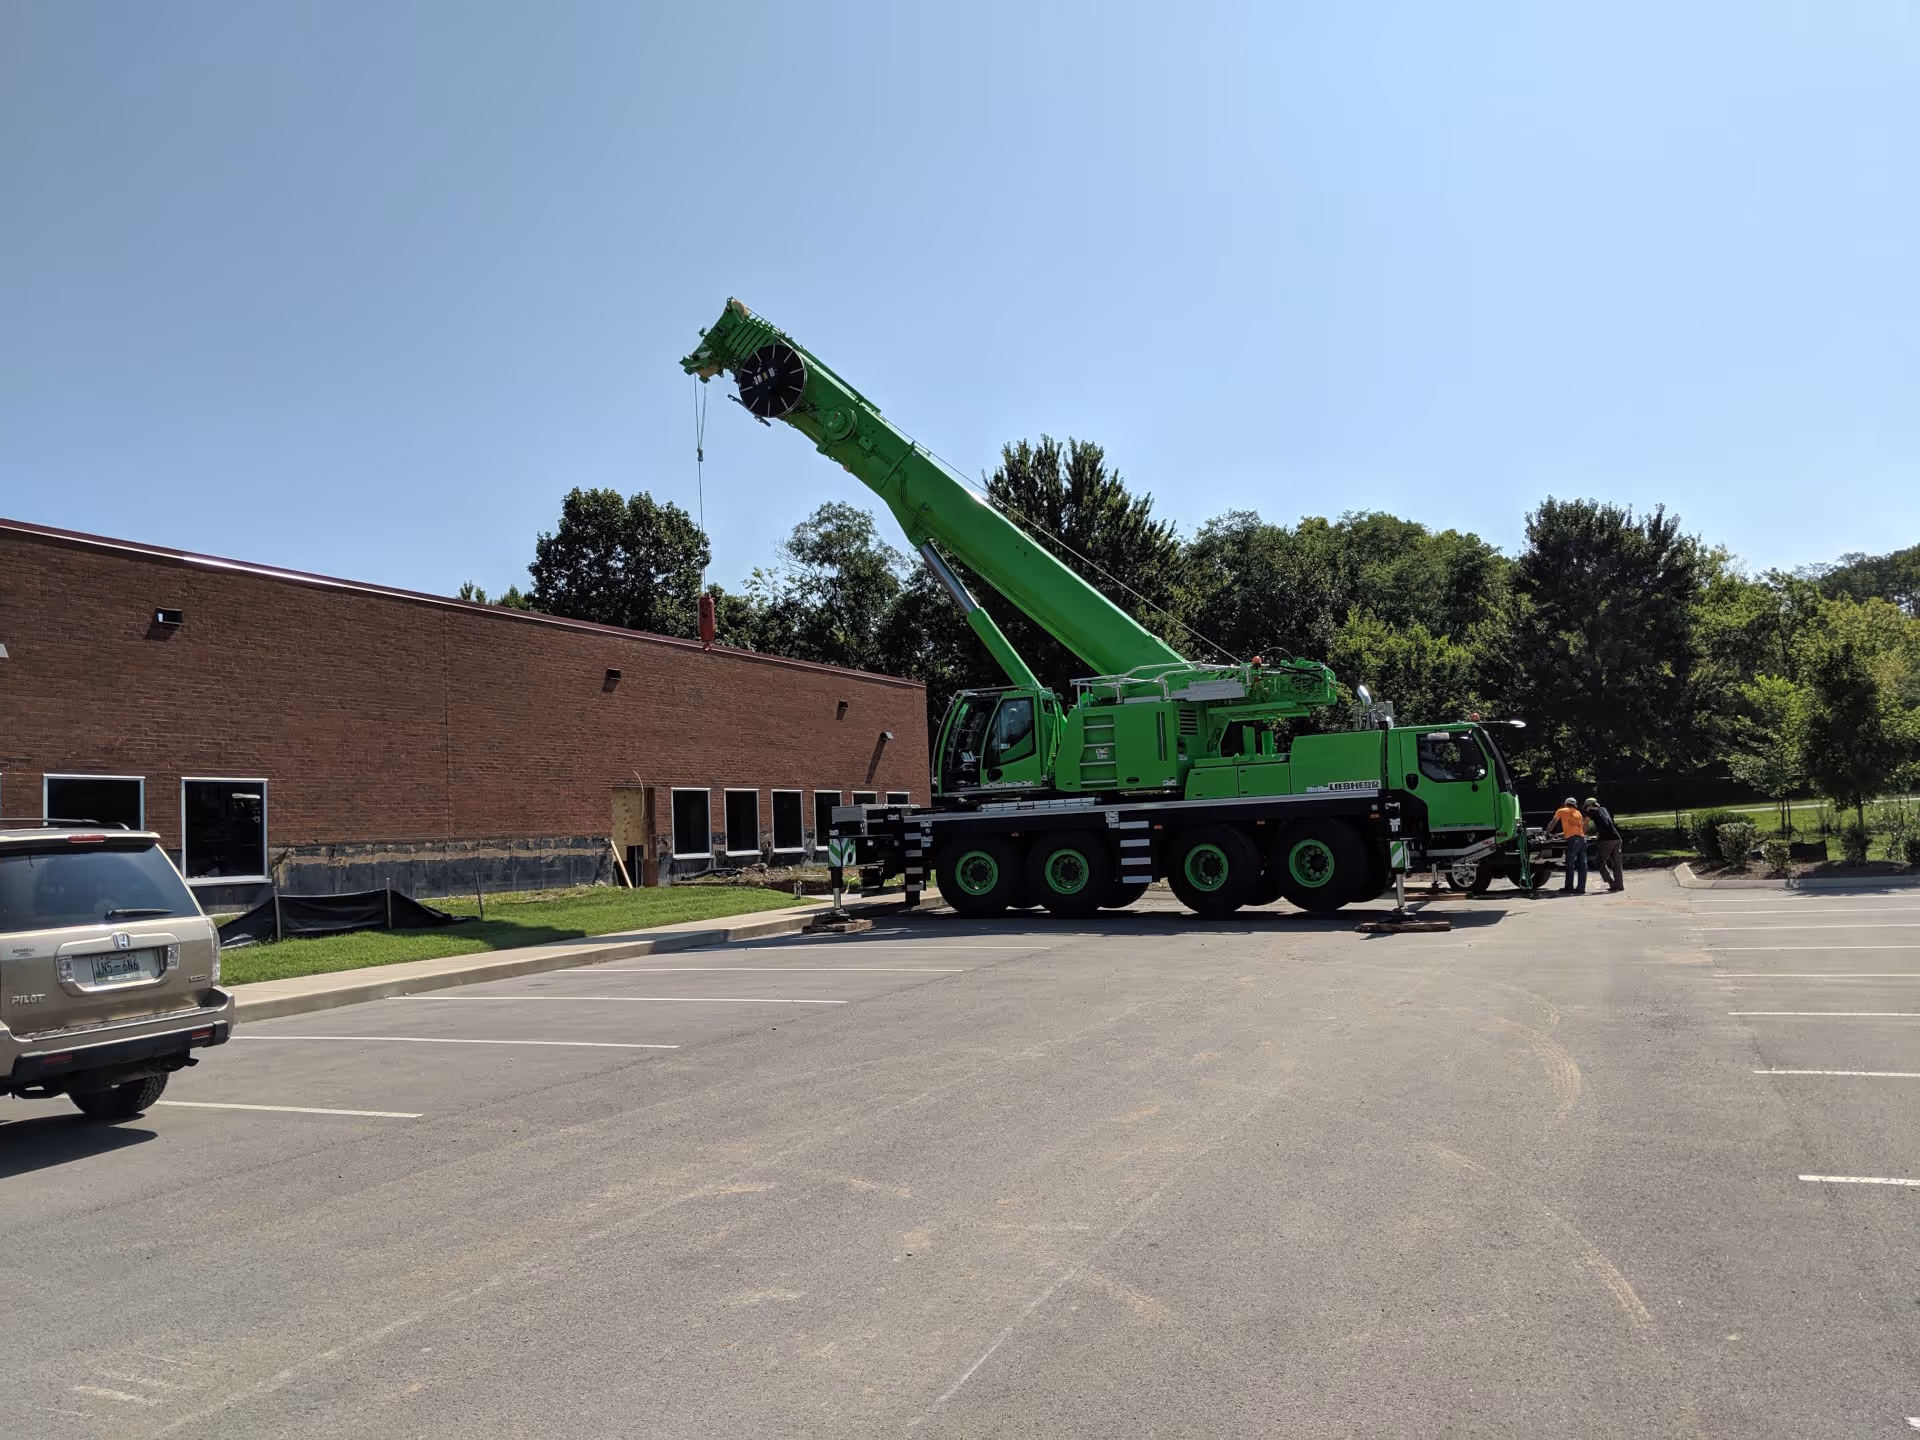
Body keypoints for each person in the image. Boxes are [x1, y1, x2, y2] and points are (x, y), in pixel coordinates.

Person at [1550, 794, 1589, 894]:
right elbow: (1578, 828)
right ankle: (1581, 888)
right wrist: (1562, 834)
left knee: (1570, 864)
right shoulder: (1578, 813)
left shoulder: (1561, 810)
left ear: (1565, 804)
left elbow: (1553, 822)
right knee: (1582, 865)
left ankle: (1569, 887)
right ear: (1574, 805)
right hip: (1582, 839)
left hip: (1573, 840)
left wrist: (1546, 833)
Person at [1585, 797, 1624, 892]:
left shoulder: (1591, 812)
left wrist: (1582, 833)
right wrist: (1598, 834)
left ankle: (1611, 883)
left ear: (1590, 805)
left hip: (1607, 840)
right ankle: (1620, 885)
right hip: (1617, 838)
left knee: (1599, 861)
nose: (1586, 809)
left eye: (1586, 807)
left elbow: (1585, 824)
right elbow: (1604, 824)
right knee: (1617, 863)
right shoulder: (1604, 809)